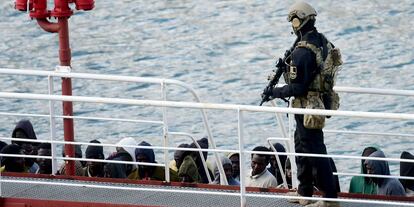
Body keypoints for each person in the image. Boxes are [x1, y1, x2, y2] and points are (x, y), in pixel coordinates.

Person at [262, 2, 340, 206]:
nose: (292, 25)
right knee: (301, 149)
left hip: (306, 106)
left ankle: (330, 198)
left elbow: (297, 88)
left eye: (292, 21)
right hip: (315, 103)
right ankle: (304, 192)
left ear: (298, 20)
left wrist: (274, 92)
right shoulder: (321, 40)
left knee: (314, 152)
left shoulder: (302, 51)